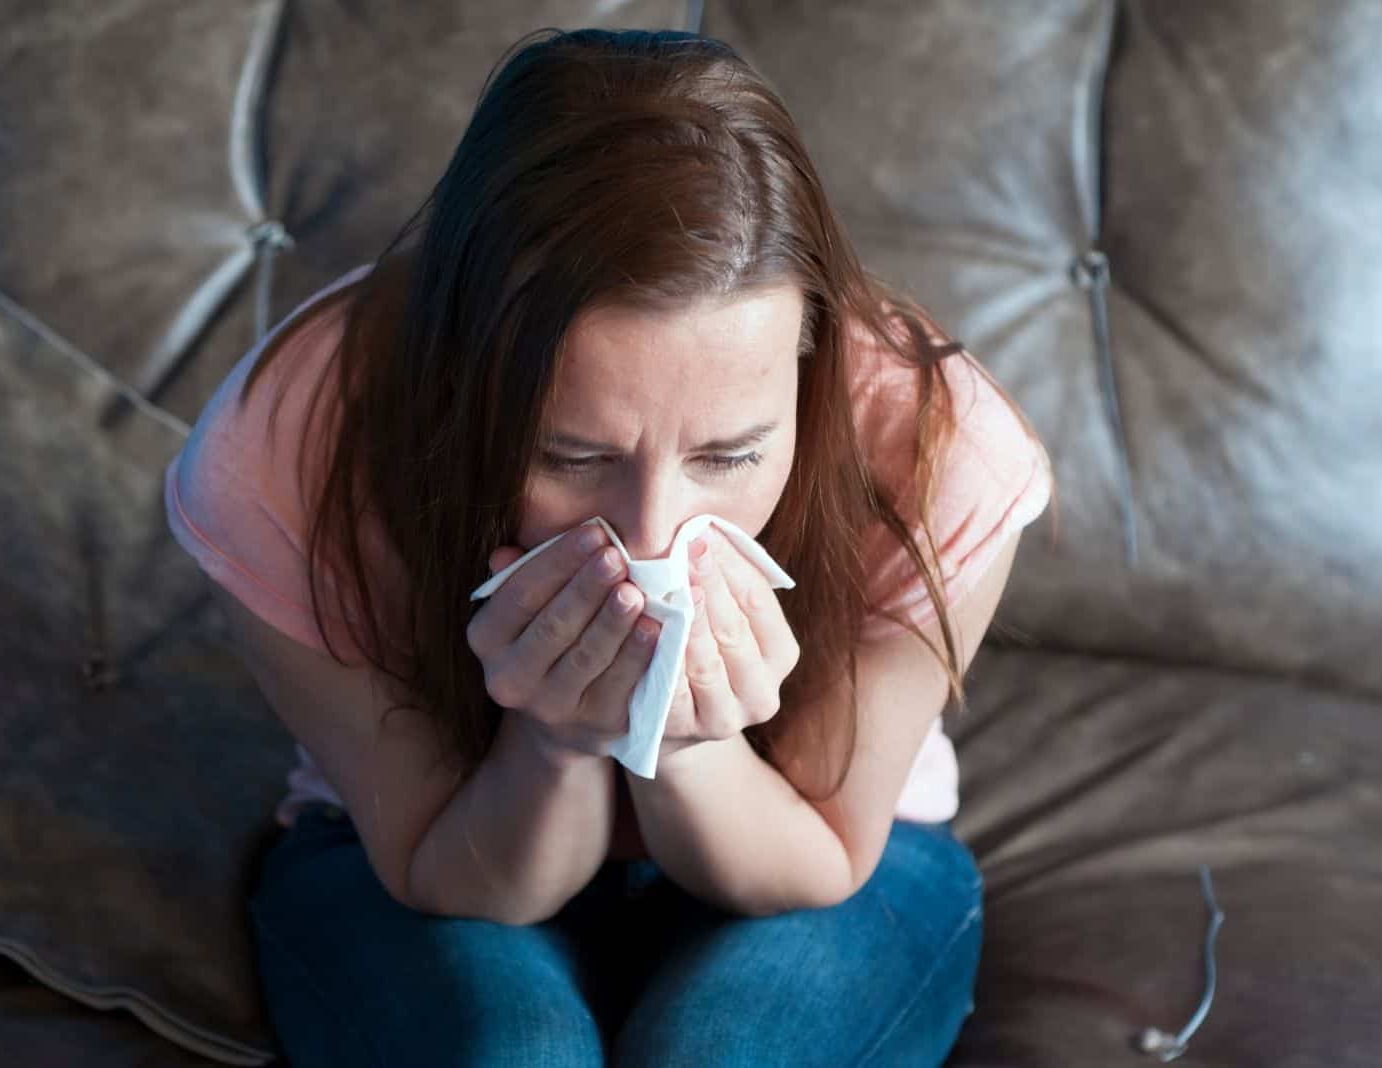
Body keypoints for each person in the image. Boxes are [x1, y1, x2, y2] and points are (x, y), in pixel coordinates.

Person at [164, 26, 1053, 1068]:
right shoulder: (286, 449)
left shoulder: (938, 448)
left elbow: (819, 861)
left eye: (729, 454)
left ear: (807, 368)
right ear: (468, 381)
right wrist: (550, 741)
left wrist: (687, 743)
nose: (650, 536)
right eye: (570, 454)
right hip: (427, 849)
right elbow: (441, 867)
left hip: (816, 854)